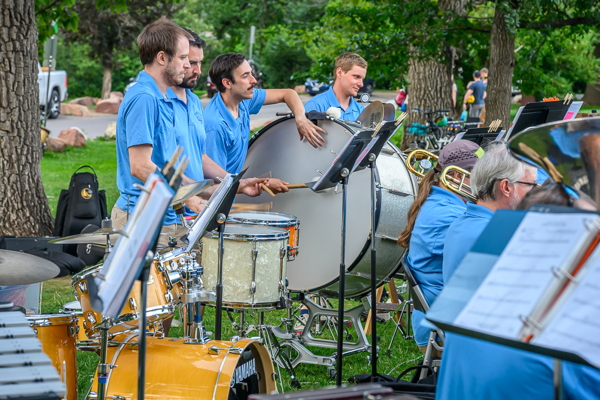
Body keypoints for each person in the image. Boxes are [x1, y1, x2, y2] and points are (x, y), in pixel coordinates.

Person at [113, 18, 263, 247]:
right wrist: (187, 197)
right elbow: (141, 167)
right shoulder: (144, 98)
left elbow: (172, 169)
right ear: (162, 58)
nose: (188, 66)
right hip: (144, 219)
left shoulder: (161, 97)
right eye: (184, 58)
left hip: (172, 218)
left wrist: (229, 186)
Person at [397, 140, 483, 354]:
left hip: (442, 317)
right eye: (481, 175)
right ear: (455, 176)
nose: (486, 182)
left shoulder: (444, 203)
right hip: (441, 329)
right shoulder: (447, 215)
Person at [204, 52, 325, 175]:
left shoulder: (243, 99)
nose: (254, 80)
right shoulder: (215, 126)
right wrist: (251, 183)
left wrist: (301, 118)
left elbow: (288, 93)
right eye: (245, 76)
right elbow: (216, 180)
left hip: (237, 181)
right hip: (227, 185)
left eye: (251, 73)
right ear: (227, 83)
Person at [304, 52, 367, 121]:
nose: (361, 84)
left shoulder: (363, 113)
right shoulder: (315, 106)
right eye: (356, 77)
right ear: (339, 73)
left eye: (362, 79)